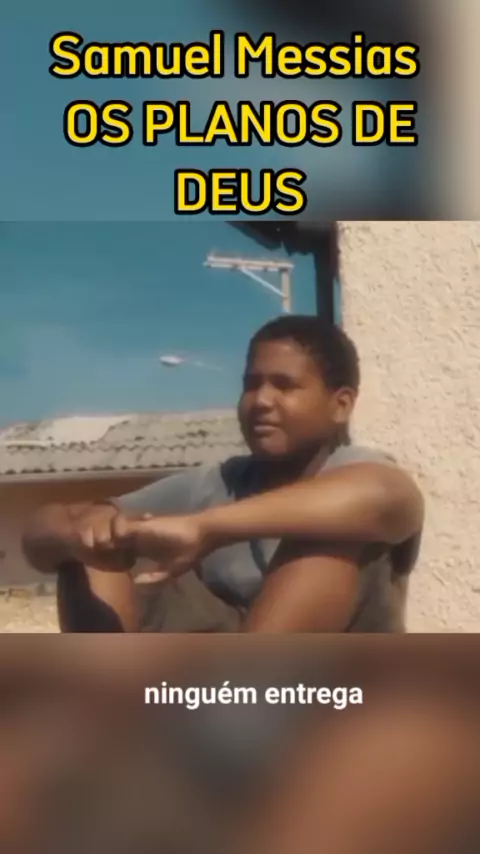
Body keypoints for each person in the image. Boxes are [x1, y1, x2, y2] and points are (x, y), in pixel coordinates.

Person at [22, 315, 424, 633]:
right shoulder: (218, 482)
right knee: (92, 546)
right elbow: (40, 533)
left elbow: (387, 496)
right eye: (251, 385)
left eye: (284, 386)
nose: (261, 400)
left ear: (341, 405)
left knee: (327, 540)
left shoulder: (355, 470)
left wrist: (206, 528)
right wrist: (83, 534)